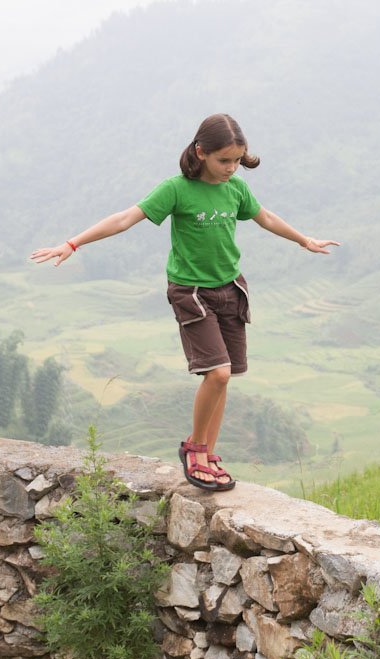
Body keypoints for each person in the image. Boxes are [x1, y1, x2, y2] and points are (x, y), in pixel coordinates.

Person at [30, 113, 339, 491]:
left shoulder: (236, 189)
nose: (231, 168)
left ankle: (208, 452)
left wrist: (304, 240)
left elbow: (266, 218)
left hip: (230, 288)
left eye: (237, 161)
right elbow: (125, 218)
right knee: (218, 372)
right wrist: (73, 243)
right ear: (200, 152)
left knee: (225, 379)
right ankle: (194, 449)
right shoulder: (177, 189)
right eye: (224, 160)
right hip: (191, 292)